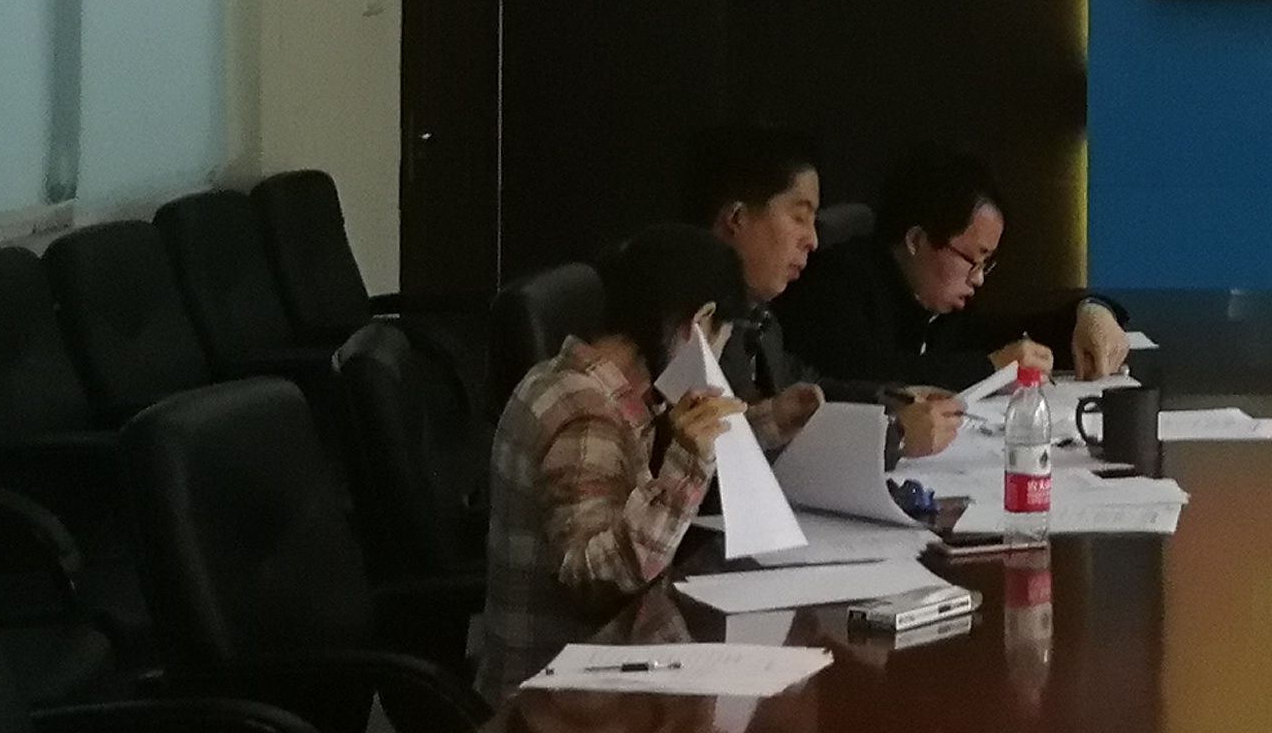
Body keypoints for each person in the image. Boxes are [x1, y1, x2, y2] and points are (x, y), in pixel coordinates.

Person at [473, 221, 749, 701]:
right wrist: (687, 468)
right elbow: (594, 583)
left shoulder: (584, 385)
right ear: (698, 324)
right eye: (719, 339)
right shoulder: (587, 413)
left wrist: (763, 423)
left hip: (589, 691)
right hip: (552, 710)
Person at [782, 145, 1134, 407]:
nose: (978, 279)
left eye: (986, 264)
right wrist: (989, 368)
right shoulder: (835, 283)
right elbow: (858, 373)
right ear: (916, 240)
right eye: (972, 260)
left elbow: (1010, 334)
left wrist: (1092, 311)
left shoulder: (932, 302)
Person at [684, 118, 835, 435]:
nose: (812, 240)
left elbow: (811, 385)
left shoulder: (760, 321)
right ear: (736, 218)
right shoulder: (685, 334)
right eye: (799, 217)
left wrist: (892, 403)